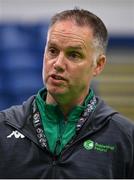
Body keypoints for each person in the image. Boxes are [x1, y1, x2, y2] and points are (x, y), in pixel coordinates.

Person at [0, 8, 134, 179]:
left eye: (73, 55)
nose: (58, 63)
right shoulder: (4, 127)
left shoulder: (125, 138)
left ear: (98, 65)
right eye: (53, 51)